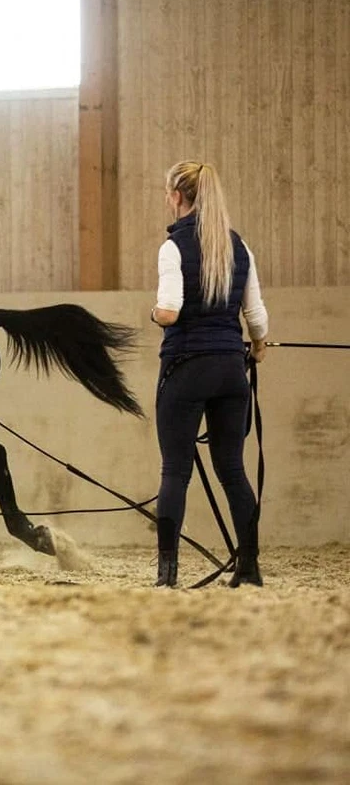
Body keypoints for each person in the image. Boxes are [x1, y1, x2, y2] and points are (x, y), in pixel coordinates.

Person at [149, 161, 269, 588]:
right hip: (231, 371)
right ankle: (249, 568)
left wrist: (152, 314)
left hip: (186, 367)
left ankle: (167, 576)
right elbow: (255, 315)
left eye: (168, 192)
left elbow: (169, 311)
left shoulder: (174, 246)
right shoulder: (238, 246)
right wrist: (257, 346)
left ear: (178, 195)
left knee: (175, 471)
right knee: (232, 470)